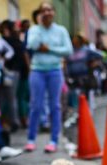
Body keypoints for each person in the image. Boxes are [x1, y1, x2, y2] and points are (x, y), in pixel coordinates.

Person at [24, 2, 73, 153]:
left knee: (55, 106)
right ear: (40, 13)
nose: (47, 12)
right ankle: (31, 139)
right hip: (37, 71)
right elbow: (31, 45)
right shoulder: (34, 29)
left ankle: (53, 140)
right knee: (35, 106)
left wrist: (49, 49)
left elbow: (68, 50)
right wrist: (39, 27)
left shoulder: (61, 30)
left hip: (55, 71)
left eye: (49, 10)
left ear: (54, 12)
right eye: (43, 10)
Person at [65, 34, 102, 110]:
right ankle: (79, 114)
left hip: (84, 77)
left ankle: (87, 114)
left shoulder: (86, 50)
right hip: (73, 78)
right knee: (76, 96)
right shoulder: (70, 51)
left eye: (76, 40)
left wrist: (94, 63)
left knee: (85, 96)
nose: (74, 42)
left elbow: (100, 55)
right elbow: (67, 62)